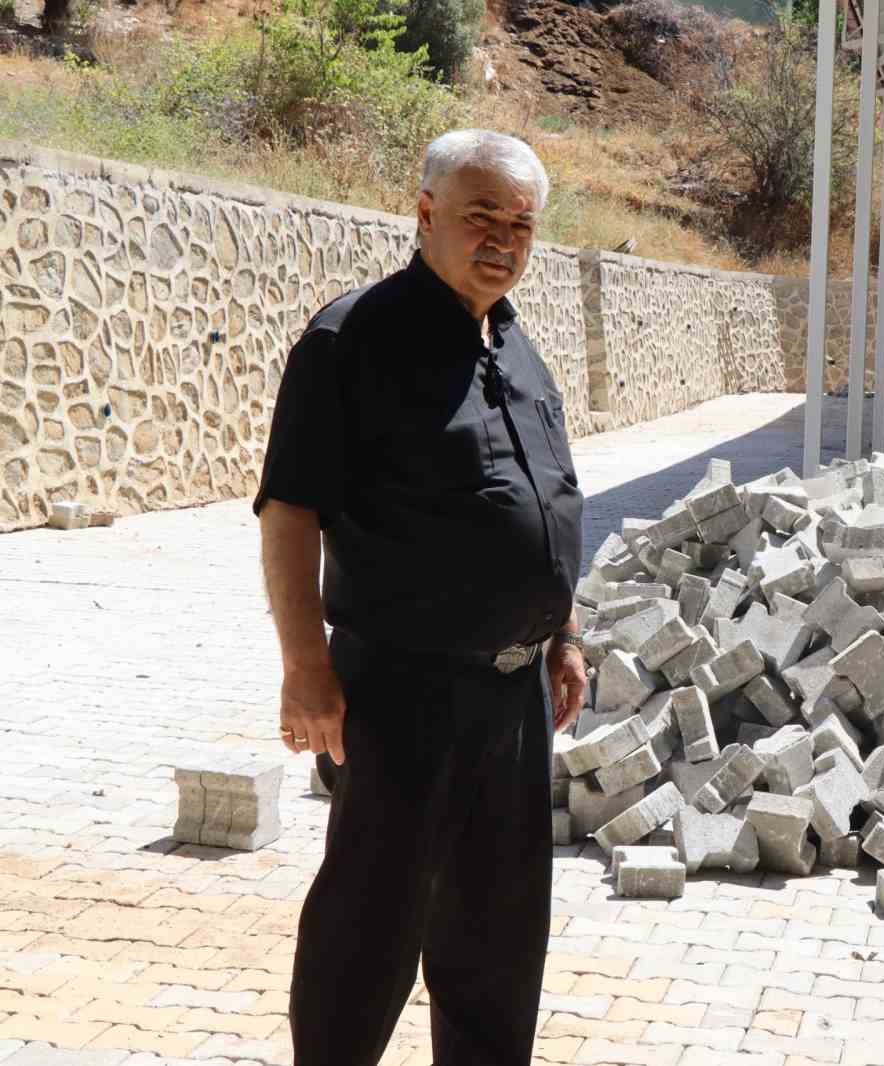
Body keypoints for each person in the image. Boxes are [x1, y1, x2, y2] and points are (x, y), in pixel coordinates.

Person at [253, 128, 586, 1066]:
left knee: (498, 938)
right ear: (426, 210)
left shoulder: (517, 346)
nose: (504, 240)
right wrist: (305, 669)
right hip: (398, 696)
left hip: (513, 702)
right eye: (482, 216)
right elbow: (290, 513)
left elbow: (549, 499)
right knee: (368, 932)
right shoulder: (350, 340)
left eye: (522, 224)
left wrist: (563, 632)